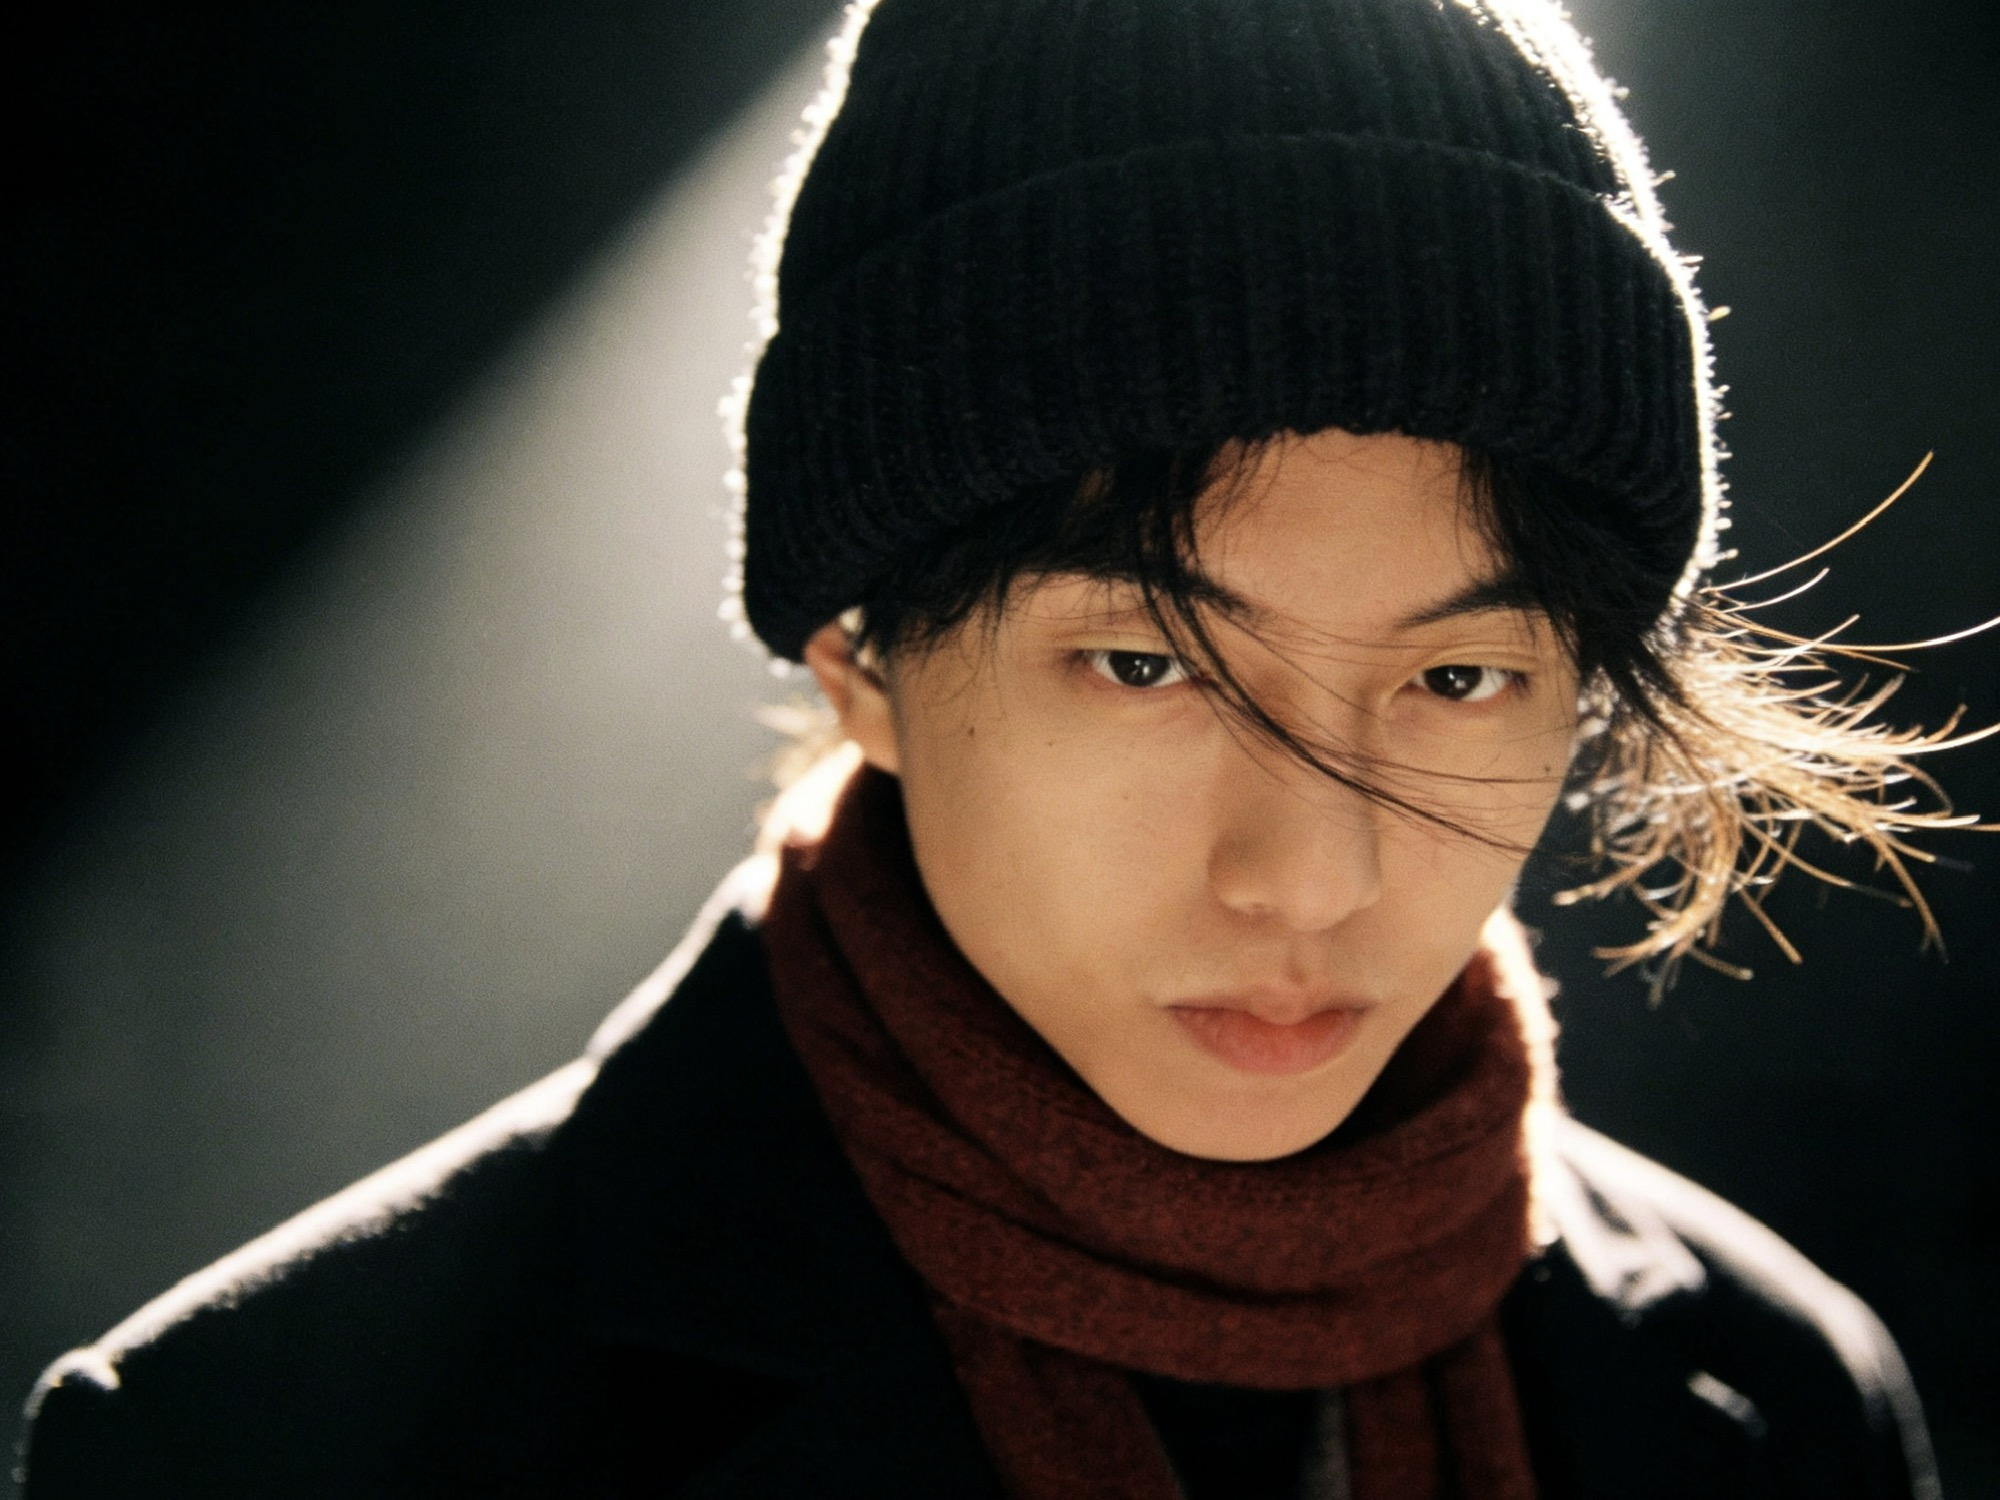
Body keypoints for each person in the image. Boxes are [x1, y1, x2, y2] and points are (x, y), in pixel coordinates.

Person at [20, 0, 1965, 1494]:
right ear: (857, 656)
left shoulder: (1775, 1398)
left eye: (1458, 679)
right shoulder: (279, 1439)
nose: (1309, 874)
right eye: (1146, 664)